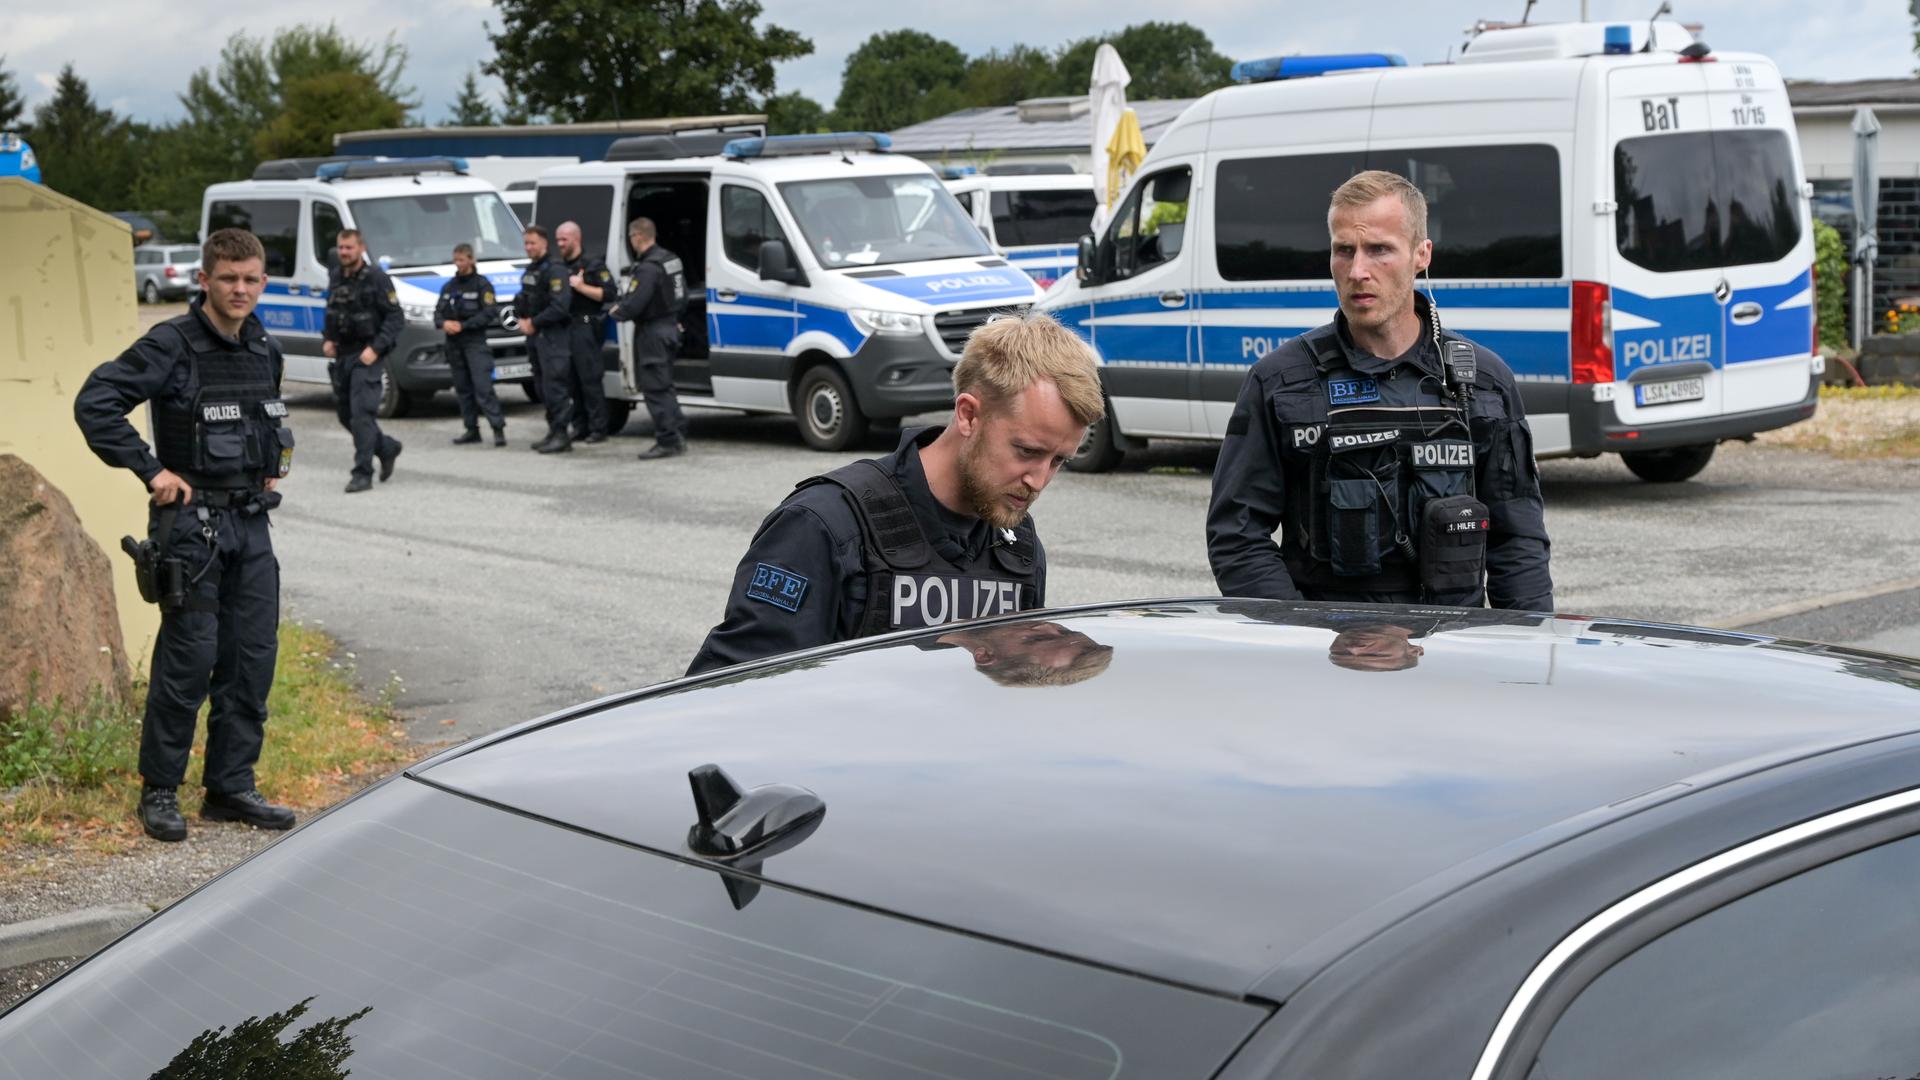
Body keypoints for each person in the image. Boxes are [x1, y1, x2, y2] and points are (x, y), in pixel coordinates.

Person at [1207, 170, 1553, 612]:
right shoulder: (1281, 382)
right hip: (1329, 652)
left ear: (1421, 255)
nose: (1357, 271)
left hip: (1453, 652)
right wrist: (1301, 637)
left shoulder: (1482, 381)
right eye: (1343, 250)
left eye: (1379, 250)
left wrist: (1522, 652)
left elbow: (1518, 540)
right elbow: (1236, 537)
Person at [687, 311, 1103, 675]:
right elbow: (732, 695)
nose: (1039, 480)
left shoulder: (1017, 547)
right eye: (1027, 451)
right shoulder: (824, 526)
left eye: (1058, 460)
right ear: (969, 415)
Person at [72, 227, 298, 841]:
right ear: (205, 281)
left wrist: (264, 473)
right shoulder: (171, 343)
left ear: (263, 282)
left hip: (250, 527)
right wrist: (151, 469)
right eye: (229, 279)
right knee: (188, 661)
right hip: (191, 532)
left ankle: (230, 787)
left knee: (251, 660)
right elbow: (97, 401)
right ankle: (161, 791)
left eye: (251, 279)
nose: (241, 289)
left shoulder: (262, 348)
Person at [322, 228, 403, 493]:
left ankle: (362, 473)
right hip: (343, 354)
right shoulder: (336, 275)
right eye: (341, 248)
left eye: (349, 247)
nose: (344, 252)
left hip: (367, 354)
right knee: (345, 415)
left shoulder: (377, 278)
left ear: (361, 248)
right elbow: (333, 310)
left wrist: (376, 349)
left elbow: (394, 318)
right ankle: (386, 447)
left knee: (361, 415)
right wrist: (329, 338)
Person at [609, 217, 689, 460]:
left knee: (655, 388)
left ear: (638, 237)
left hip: (653, 332)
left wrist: (617, 312)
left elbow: (635, 303)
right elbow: (682, 294)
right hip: (670, 326)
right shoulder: (670, 260)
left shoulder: (647, 267)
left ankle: (667, 440)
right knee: (665, 385)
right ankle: (678, 432)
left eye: (631, 238)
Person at [435, 242, 506, 446]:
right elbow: (438, 313)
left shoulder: (482, 285)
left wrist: (464, 326)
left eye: (462, 260)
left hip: (475, 342)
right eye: (456, 260)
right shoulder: (449, 286)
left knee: (483, 388)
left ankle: (498, 429)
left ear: (471, 259)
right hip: (454, 344)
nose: (459, 264)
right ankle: (471, 429)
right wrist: (444, 323)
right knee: (463, 389)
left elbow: (490, 312)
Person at [513, 225, 575, 454]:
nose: (529, 247)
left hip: (553, 336)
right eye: (526, 243)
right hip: (536, 338)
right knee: (541, 387)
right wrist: (522, 317)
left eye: (532, 243)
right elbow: (525, 299)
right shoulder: (532, 270)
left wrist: (534, 322)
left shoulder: (555, 269)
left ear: (544, 243)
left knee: (555, 387)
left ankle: (562, 435)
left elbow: (560, 307)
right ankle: (552, 430)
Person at [555, 221, 613, 443]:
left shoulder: (592, 265)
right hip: (565, 328)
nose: (560, 243)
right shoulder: (559, 267)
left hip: (585, 327)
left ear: (576, 239)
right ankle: (580, 426)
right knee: (572, 381)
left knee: (589, 379)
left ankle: (598, 428)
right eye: (558, 239)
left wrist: (582, 287)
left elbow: (609, 294)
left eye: (564, 239)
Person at [928, 620, 1114, 687]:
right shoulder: (1017, 546)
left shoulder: (902, 639)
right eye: (1066, 631)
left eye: (1036, 639)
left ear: (985, 655)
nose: (1046, 625)